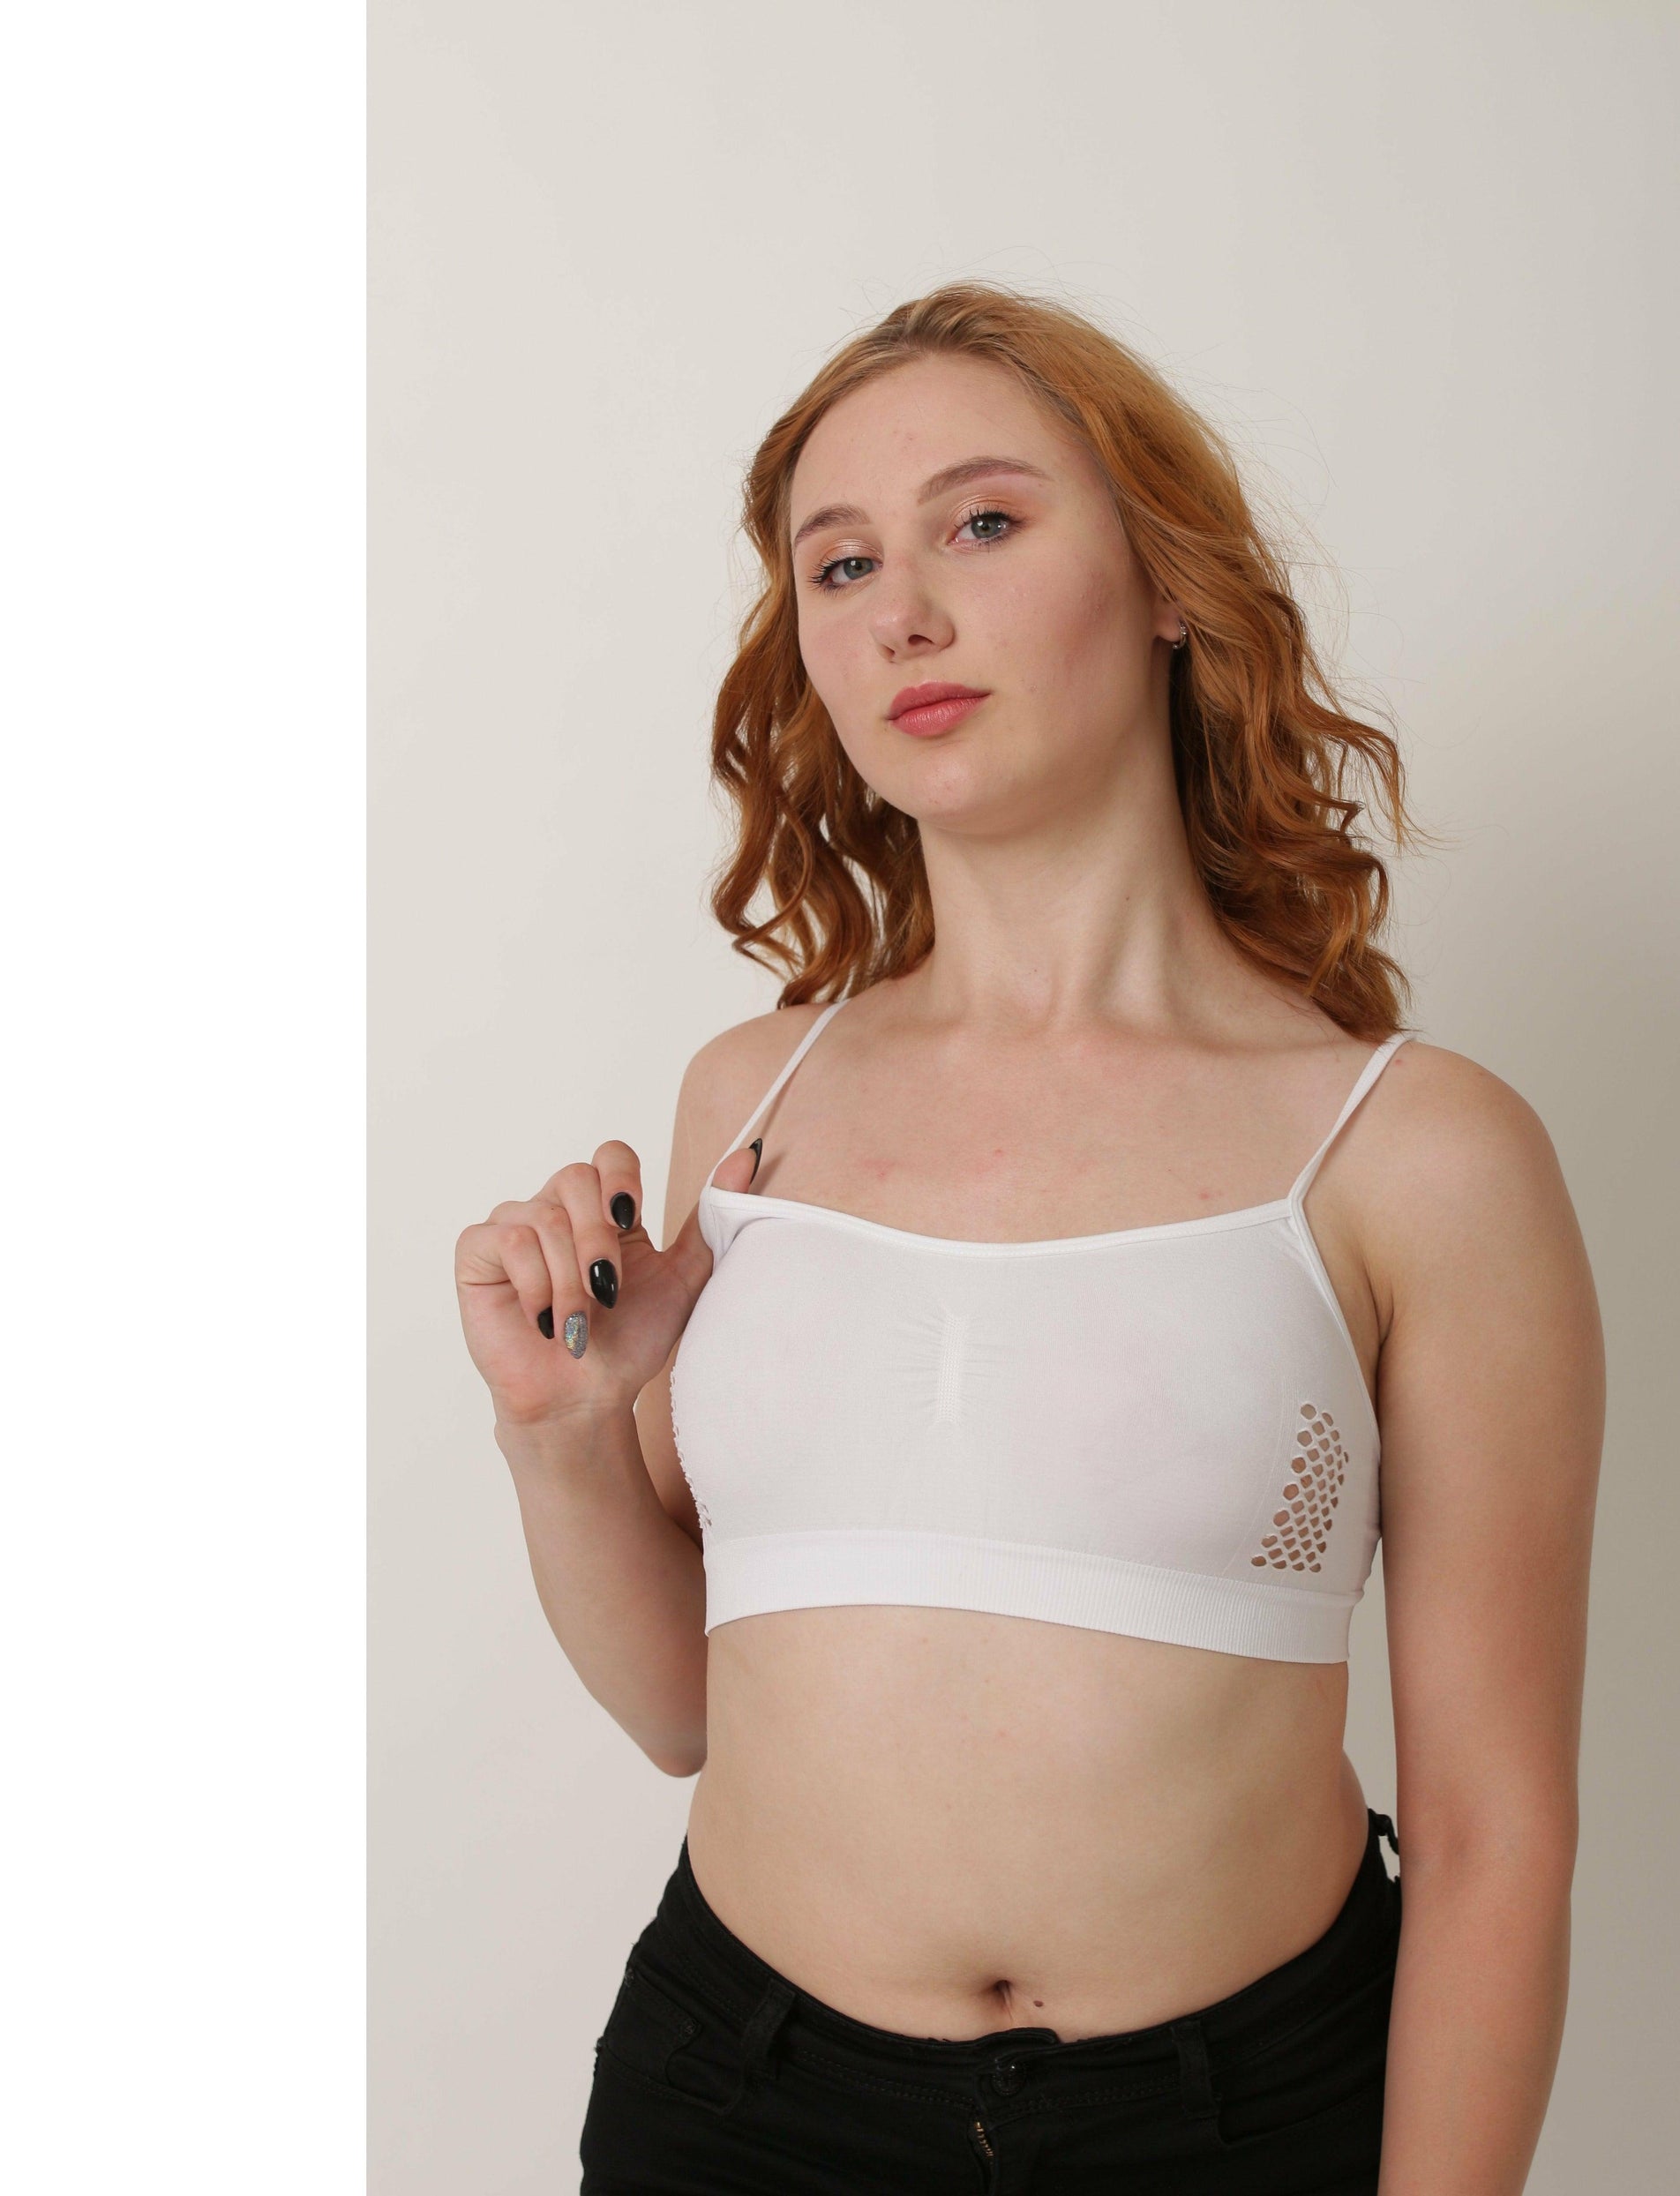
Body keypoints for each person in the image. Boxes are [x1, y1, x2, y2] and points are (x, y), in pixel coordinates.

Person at [454, 283, 1604, 2195]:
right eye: (841, 563)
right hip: (738, 2106)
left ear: (1165, 580)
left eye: (981, 524)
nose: (902, 611)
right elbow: (686, 1711)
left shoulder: (1414, 1153)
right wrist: (562, 1439)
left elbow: (1495, 1835)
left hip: (1230, 2130)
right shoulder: (752, 1095)